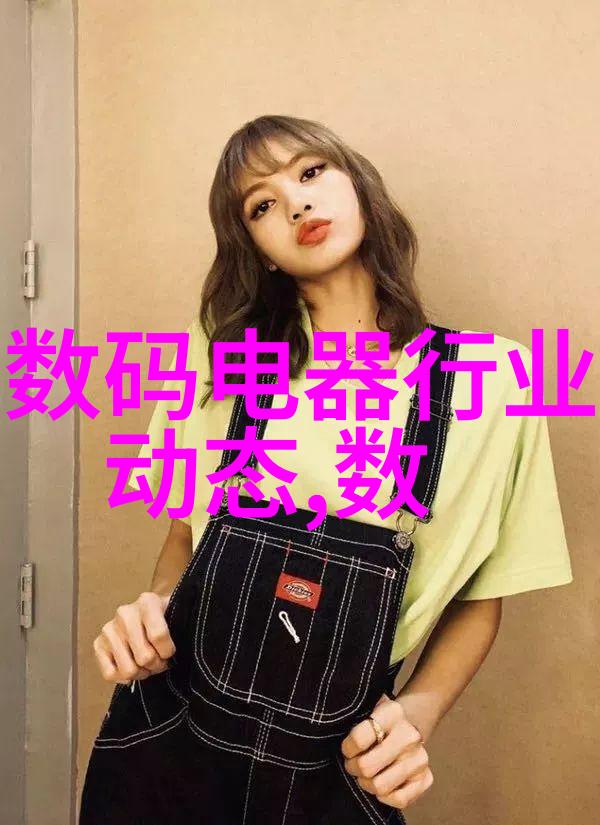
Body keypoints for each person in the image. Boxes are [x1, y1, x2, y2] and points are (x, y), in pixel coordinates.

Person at [80, 115, 573, 824]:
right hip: (167, 744)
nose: (296, 203)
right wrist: (151, 608)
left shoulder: (496, 379)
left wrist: (419, 713)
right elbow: (185, 535)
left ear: (359, 185)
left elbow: (480, 592)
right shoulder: (220, 360)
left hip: (337, 768)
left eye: (310, 172)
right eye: (262, 204)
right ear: (257, 249)